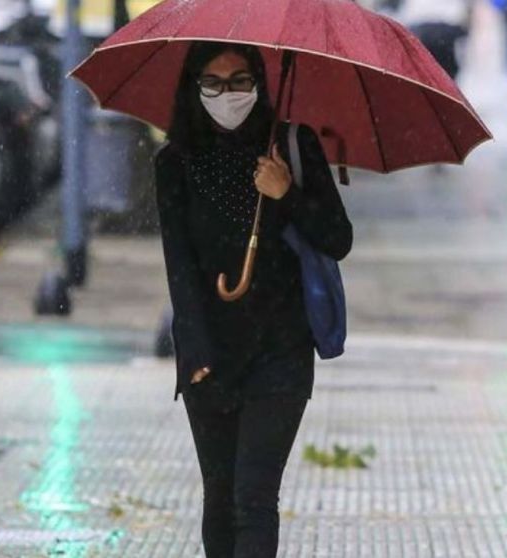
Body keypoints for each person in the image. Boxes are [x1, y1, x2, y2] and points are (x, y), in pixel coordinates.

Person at [155, 41, 352, 558]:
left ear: (260, 84)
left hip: (281, 350)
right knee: (220, 500)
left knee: (254, 497)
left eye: (240, 81)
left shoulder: (290, 145)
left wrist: (287, 193)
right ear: (193, 87)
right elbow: (179, 266)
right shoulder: (174, 161)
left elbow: (338, 239)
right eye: (213, 83)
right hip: (210, 355)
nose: (227, 94)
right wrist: (193, 354)